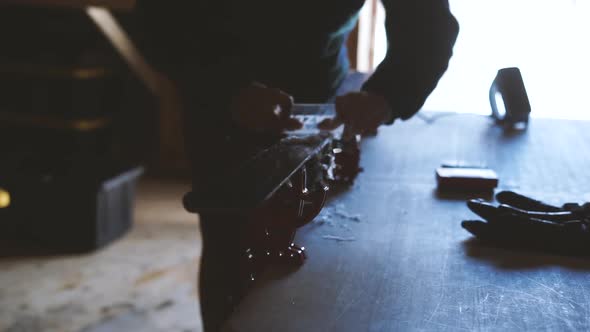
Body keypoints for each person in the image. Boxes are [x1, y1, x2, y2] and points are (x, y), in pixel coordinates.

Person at [138, 1, 459, 171]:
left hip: (322, 94)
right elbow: (158, 20)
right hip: (220, 96)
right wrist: (225, 90)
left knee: (322, 238)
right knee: (231, 239)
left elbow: (426, 24)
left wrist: (387, 94)